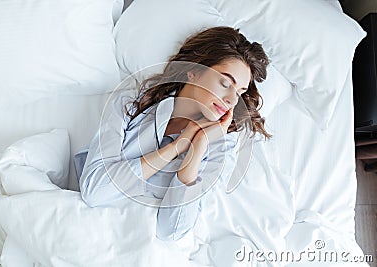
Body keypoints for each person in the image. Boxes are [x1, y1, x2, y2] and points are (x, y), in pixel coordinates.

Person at [74, 26, 272, 241]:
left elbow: (172, 231)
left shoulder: (222, 148)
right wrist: (175, 147)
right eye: (225, 83)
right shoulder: (131, 102)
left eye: (240, 92)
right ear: (194, 71)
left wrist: (196, 151)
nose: (231, 100)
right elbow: (94, 191)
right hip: (85, 222)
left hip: (139, 242)